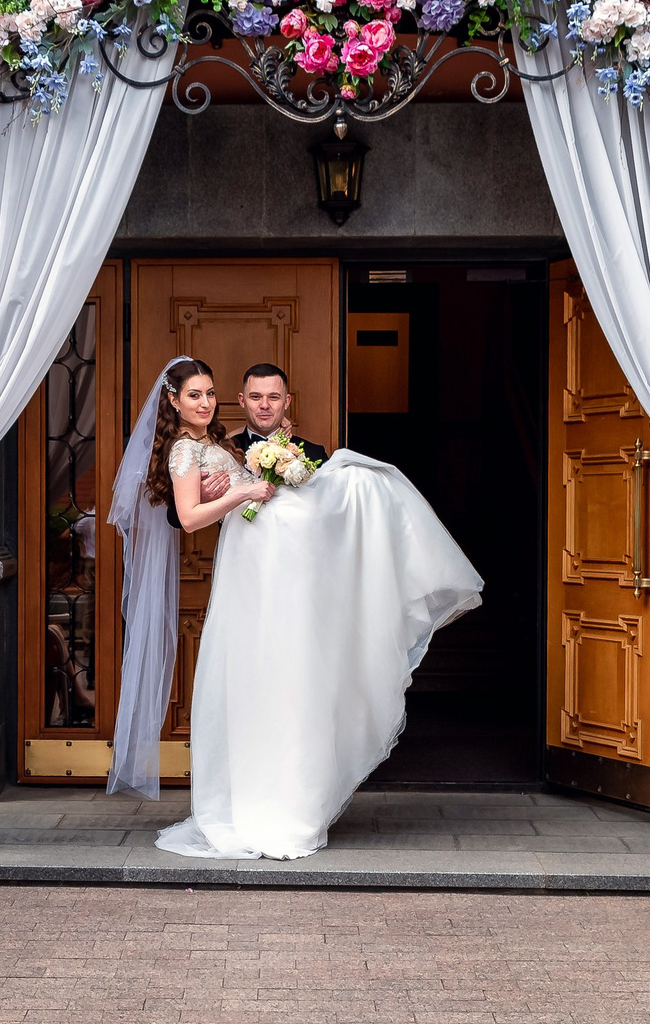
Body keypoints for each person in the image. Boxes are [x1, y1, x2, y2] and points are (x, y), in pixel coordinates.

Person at [105, 356, 484, 857]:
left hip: (299, 587)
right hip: (251, 581)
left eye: (208, 393)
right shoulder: (208, 449)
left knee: (356, 479)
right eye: (195, 395)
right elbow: (186, 515)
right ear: (236, 402)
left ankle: (297, 798)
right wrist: (241, 489)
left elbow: (323, 513)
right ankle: (254, 804)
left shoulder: (288, 450)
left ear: (286, 403)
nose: (206, 402)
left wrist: (265, 475)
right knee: (253, 684)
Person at [159, 362, 327, 529]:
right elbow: (179, 518)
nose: (264, 405)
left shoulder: (221, 444)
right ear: (242, 400)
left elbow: (326, 512)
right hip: (240, 546)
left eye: (274, 397)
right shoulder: (215, 445)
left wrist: (277, 439)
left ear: (286, 401)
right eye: (255, 397)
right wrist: (202, 497)